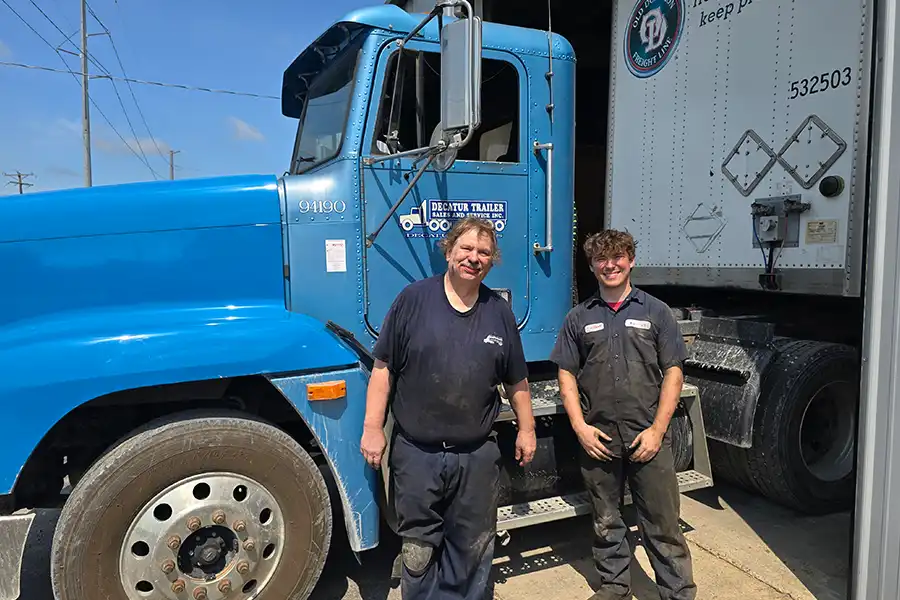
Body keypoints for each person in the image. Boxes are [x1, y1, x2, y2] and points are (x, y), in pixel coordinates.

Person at [359, 216, 537, 600]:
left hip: (476, 456)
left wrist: (527, 429)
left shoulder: (498, 311)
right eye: (467, 249)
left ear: (492, 261)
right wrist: (372, 427)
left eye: (484, 252)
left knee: (471, 549)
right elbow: (383, 369)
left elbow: (516, 381)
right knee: (418, 551)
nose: (474, 258)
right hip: (417, 455)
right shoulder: (413, 299)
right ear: (450, 250)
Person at [549, 229, 696, 600]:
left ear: (631, 260)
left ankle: (678, 592)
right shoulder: (578, 317)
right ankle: (615, 585)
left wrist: (657, 431)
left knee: (662, 523)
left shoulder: (656, 311)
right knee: (606, 521)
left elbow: (674, 372)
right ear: (593, 266)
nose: (609, 265)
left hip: (647, 437)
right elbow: (566, 372)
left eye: (617, 257)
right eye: (601, 259)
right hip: (599, 439)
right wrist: (580, 427)